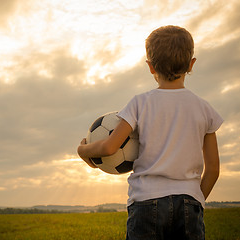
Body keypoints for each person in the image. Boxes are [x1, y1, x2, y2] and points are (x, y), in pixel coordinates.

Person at [77, 25, 223, 240]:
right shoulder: (204, 108)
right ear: (191, 64)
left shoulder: (139, 103)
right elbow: (213, 169)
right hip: (189, 201)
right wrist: (196, 199)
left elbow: (109, 147)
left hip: (147, 202)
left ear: (151, 67)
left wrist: (83, 150)